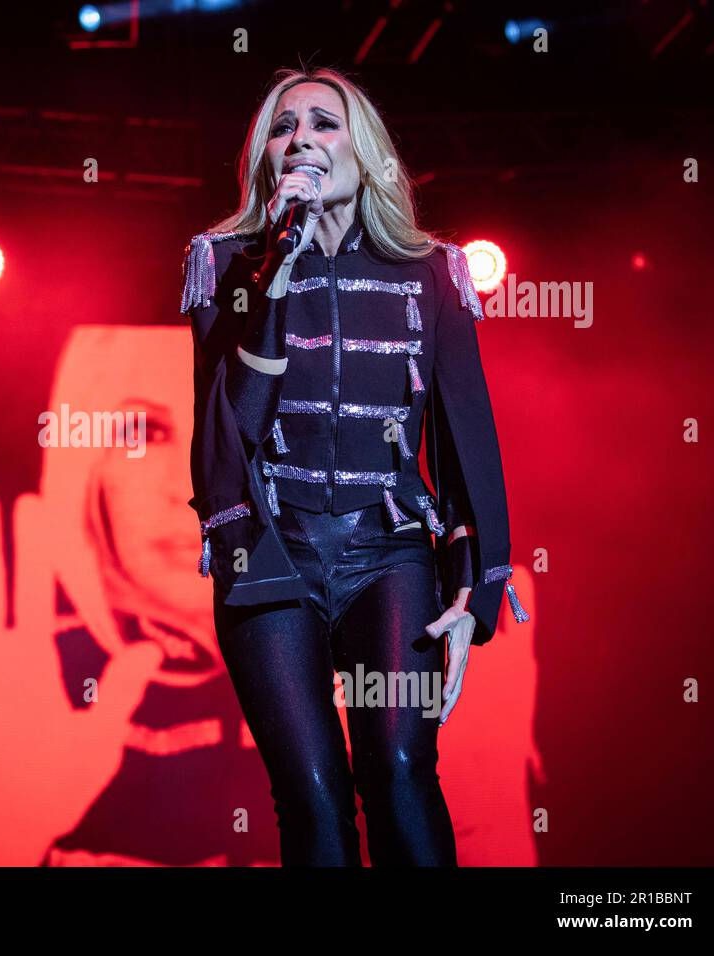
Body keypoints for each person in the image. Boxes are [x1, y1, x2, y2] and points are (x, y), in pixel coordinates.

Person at [182, 68, 529, 866]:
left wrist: (478, 582)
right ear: (265, 159)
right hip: (272, 553)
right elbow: (230, 429)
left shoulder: (431, 270)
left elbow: (466, 432)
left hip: (389, 552)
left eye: (322, 123)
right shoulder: (227, 263)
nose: (300, 139)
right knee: (311, 791)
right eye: (282, 128)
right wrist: (276, 270)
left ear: (362, 148)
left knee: (400, 768)